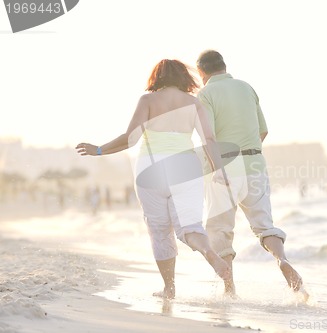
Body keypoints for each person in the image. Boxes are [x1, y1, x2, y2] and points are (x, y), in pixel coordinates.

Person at [76, 59, 230, 299]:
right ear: (183, 77)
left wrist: (98, 150)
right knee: (190, 226)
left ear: (156, 77)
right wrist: (219, 170)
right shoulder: (193, 103)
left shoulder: (147, 101)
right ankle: (209, 253)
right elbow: (208, 140)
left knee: (160, 230)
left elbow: (130, 139)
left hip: (151, 170)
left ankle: (169, 288)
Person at [196, 50, 306, 297]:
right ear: (224, 66)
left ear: (201, 72)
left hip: (224, 165)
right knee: (264, 225)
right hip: (255, 162)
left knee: (220, 230)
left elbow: (209, 137)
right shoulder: (247, 88)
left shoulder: (205, 94)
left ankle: (229, 288)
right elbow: (263, 131)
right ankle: (282, 260)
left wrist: (218, 168)